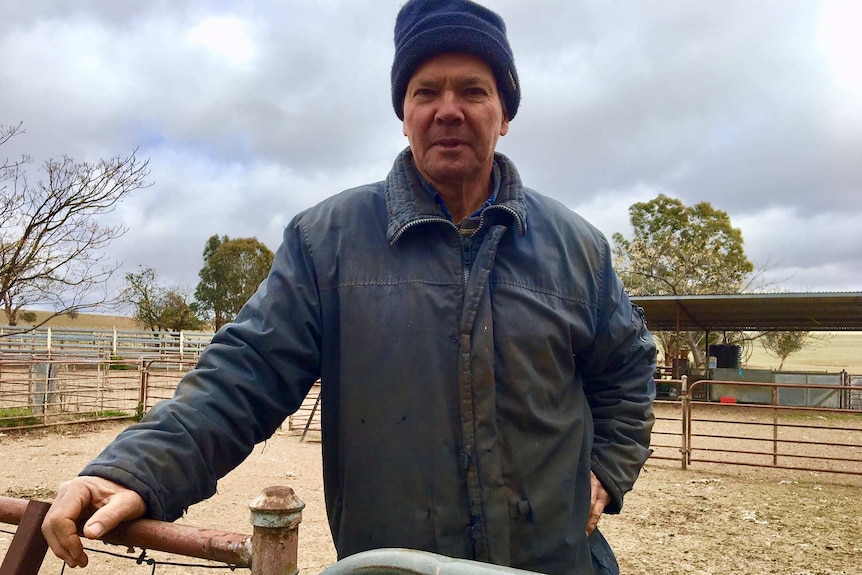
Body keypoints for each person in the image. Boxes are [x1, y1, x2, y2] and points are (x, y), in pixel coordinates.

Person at [42, 1, 656, 574]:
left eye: (473, 90)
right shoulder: (326, 242)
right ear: (403, 112)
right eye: (425, 91)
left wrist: (607, 468)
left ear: (506, 114)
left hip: (555, 560)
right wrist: (135, 470)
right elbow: (245, 375)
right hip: (395, 565)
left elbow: (628, 367)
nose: (448, 109)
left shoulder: (578, 249)